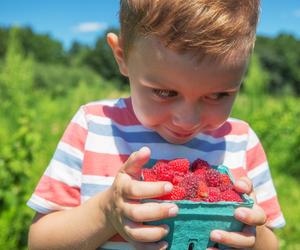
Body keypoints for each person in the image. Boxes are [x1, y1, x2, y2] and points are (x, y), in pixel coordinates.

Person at [27, 0, 285, 249]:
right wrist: (106, 212)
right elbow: (40, 242)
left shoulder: (242, 141)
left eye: (218, 95)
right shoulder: (93, 126)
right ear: (122, 57)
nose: (187, 120)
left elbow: (271, 242)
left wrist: (251, 234)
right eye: (164, 92)